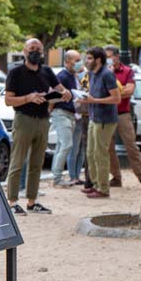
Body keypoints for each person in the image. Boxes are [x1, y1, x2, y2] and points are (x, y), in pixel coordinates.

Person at [2, 38, 70, 214]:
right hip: (24, 119)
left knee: (37, 162)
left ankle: (32, 202)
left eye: (38, 49)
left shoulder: (47, 71)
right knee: (17, 161)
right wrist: (28, 98)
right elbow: (8, 100)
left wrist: (65, 93)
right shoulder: (16, 73)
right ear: (24, 51)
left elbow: (61, 89)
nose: (35, 52)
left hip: (43, 120)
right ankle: (12, 202)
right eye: (32, 48)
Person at [80, 47, 119, 198]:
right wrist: (85, 98)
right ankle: (95, 184)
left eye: (89, 58)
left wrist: (94, 100)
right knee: (90, 153)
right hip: (93, 117)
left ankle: (103, 188)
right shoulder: (91, 74)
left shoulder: (107, 74)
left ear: (98, 60)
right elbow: (93, 93)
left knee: (100, 153)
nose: (86, 61)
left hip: (105, 119)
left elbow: (116, 98)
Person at [105, 45, 141, 187]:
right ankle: (116, 177)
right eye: (106, 57)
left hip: (123, 113)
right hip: (106, 114)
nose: (108, 59)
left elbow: (129, 90)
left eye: (110, 56)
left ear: (116, 57)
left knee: (131, 145)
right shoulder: (102, 72)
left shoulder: (128, 71)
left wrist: (110, 93)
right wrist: (116, 91)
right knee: (108, 147)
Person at [51, 50, 81, 187]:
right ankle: (57, 179)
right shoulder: (62, 76)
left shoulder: (74, 76)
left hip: (70, 114)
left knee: (61, 145)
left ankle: (56, 176)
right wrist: (50, 111)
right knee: (66, 145)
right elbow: (51, 95)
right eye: (76, 60)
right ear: (68, 61)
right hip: (61, 112)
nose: (79, 62)